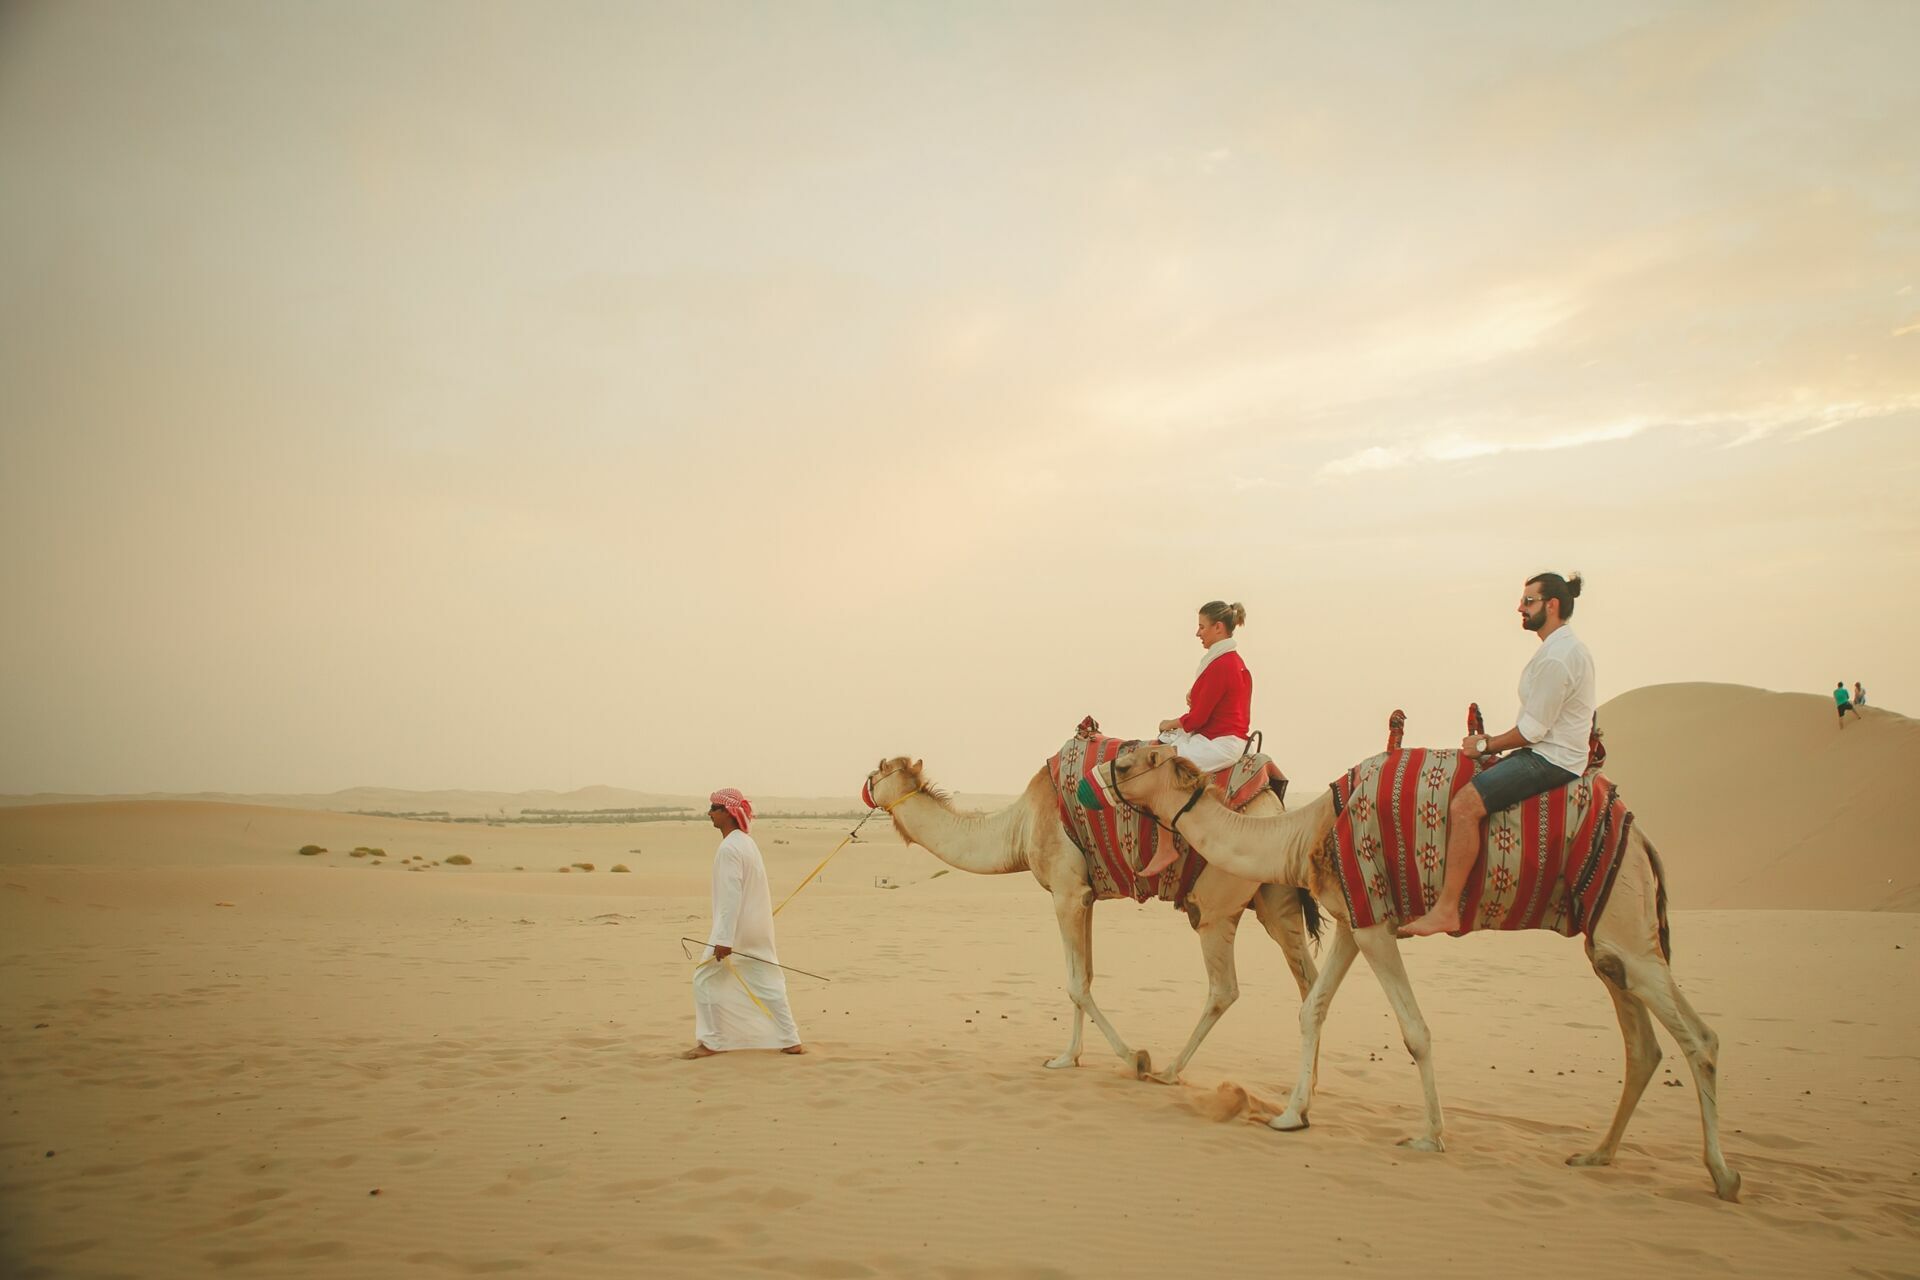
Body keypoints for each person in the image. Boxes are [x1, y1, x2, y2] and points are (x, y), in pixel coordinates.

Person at [1400, 572, 1596, 938]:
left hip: (1550, 758)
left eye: (1529, 601)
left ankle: (1446, 909)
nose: (1520, 608)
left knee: (1464, 805)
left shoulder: (1558, 658)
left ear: (1551, 605)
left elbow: (1532, 731)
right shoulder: (1560, 649)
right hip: (1551, 750)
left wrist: (1486, 745)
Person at [683, 788, 805, 1059]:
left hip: (736, 930)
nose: (709, 813)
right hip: (756, 928)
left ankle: (712, 1042)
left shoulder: (730, 848)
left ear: (728, 813)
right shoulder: (746, 843)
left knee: (703, 979)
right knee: (766, 981)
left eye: (715, 808)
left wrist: (724, 939)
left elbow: (730, 896)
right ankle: (790, 1038)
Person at [1137, 600, 1253, 877]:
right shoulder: (1229, 662)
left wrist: (1172, 722)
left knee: (1162, 770)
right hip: (1221, 737)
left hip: (1220, 742)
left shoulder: (1221, 665)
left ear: (1218, 627)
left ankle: (1166, 846)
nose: (1197, 633)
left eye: (1202, 627)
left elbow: (1198, 719)